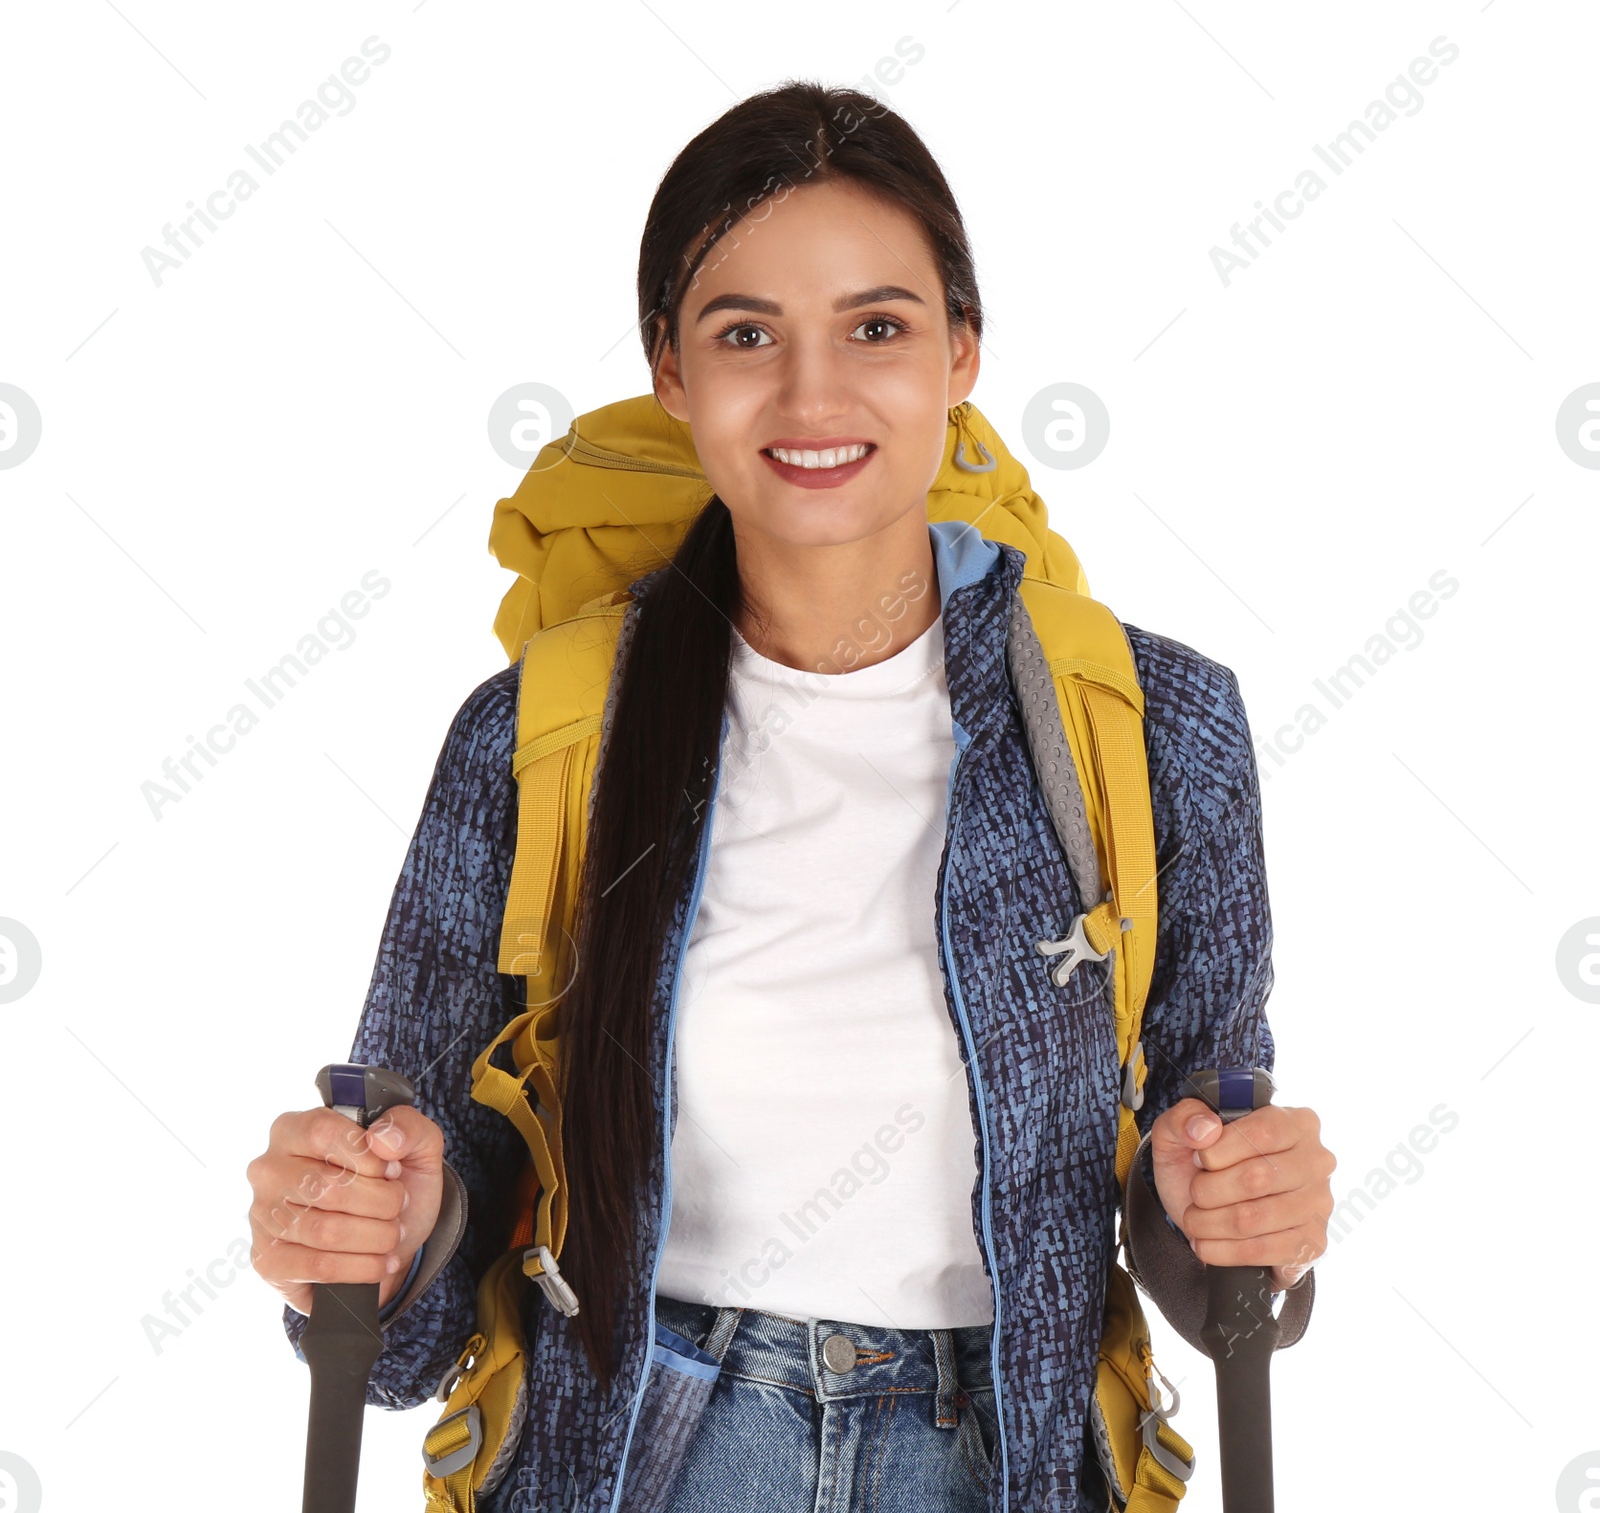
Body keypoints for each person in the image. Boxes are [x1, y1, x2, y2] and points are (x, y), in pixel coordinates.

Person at [246, 81, 1336, 1512]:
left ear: (961, 354)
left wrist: (1239, 1201)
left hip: (999, 1462)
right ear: (671, 371)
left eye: (876, 327)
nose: (814, 395)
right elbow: (418, 1266)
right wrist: (372, 1222)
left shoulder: (1155, 725)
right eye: (745, 333)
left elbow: (1192, 1191)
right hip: (638, 1459)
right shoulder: (537, 736)